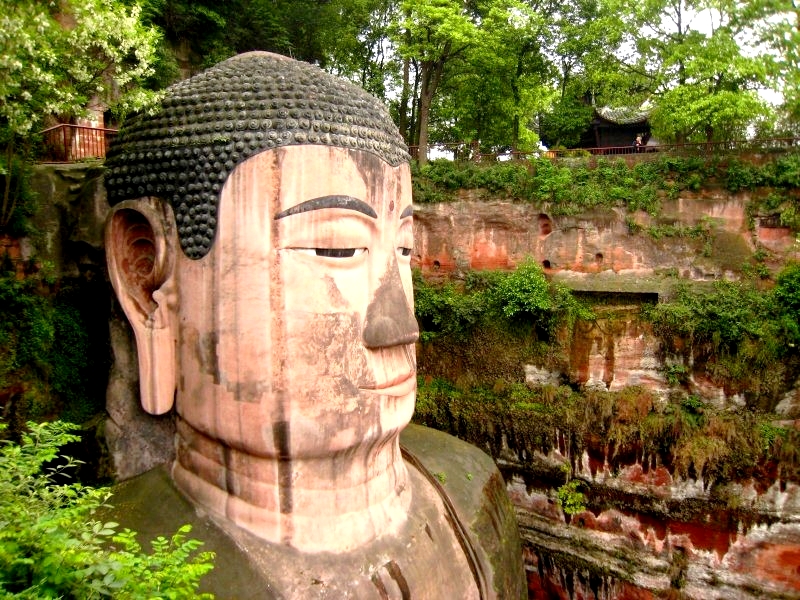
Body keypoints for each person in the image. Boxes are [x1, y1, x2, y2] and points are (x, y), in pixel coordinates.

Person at [104, 52, 525, 598]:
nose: (401, 326)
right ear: (149, 283)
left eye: (403, 250)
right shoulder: (114, 573)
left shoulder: (471, 491)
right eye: (336, 246)